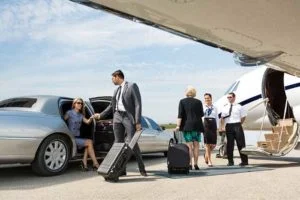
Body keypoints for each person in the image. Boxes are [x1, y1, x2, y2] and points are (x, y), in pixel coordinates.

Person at [94, 70, 147, 176]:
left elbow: (137, 104)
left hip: (128, 117)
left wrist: (137, 121)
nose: (112, 80)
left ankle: (142, 167)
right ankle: (121, 169)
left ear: (117, 76)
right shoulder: (116, 90)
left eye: (113, 78)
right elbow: (111, 106)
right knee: (118, 143)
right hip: (117, 116)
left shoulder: (132, 86)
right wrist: (100, 115)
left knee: (132, 142)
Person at [64, 98, 100, 171]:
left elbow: (87, 122)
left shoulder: (80, 115)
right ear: (74, 104)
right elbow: (62, 121)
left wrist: (91, 117)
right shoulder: (69, 113)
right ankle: (96, 164)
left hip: (76, 137)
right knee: (89, 142)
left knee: (89, 144)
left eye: (81, 103)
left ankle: (84, 163)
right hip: (70, 138)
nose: (80, 104)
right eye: (78, 103)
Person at [175, 85, 204, 170]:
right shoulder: (199, 102)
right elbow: (201, 114)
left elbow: (180, 115)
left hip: (187, 126)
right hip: (197, 126)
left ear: (186, 92)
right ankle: (196, 164)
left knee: (189, 146)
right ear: (194, 92)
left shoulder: (182, 101)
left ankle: (189, 164)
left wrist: (178, 126)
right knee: (196, 145)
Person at [220, 92, 248, 166]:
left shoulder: (239, 106)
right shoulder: (225, 107)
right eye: (228, 97)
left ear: (234, 97)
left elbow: (243, 117)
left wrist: (239, 124)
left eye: (230, 97)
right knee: (230, 145)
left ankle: (244, 161)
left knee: (241, 144)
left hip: (237, 125)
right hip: (228, 126)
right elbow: (222, 118)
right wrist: (223, 126)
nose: (229, 98)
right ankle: (230, 161)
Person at [203, 93, 219, 167]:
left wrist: (218, 128)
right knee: (207, 144)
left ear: (211, 98)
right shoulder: (203, 107)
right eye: (205, 98)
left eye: (208, 98)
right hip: (205, 125)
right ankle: (209, 160)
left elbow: (217, 118)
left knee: (213, 145)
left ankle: (206, 154)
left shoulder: (215, 108)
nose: (207, 99)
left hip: (213, 125)